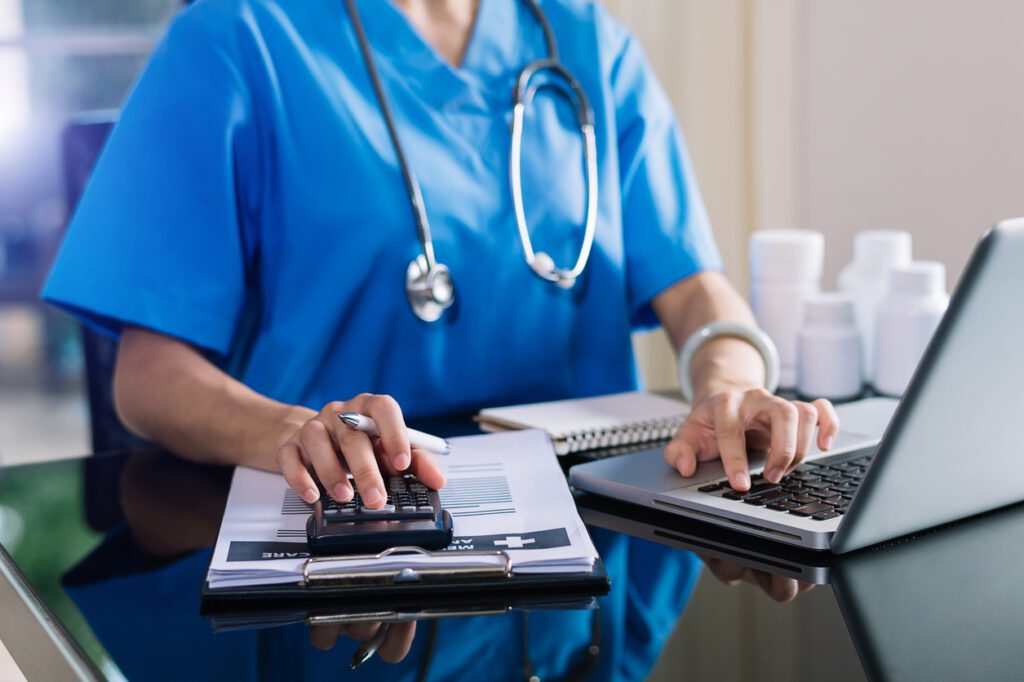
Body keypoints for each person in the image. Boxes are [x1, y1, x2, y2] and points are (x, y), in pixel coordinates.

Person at [44, 0, 838, 509]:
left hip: (592, 533)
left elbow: (697, 288)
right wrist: (292, 431)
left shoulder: (590, 44)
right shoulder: (233, 39)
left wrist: (731, 387)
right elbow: (147, 378)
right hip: (347, 514)